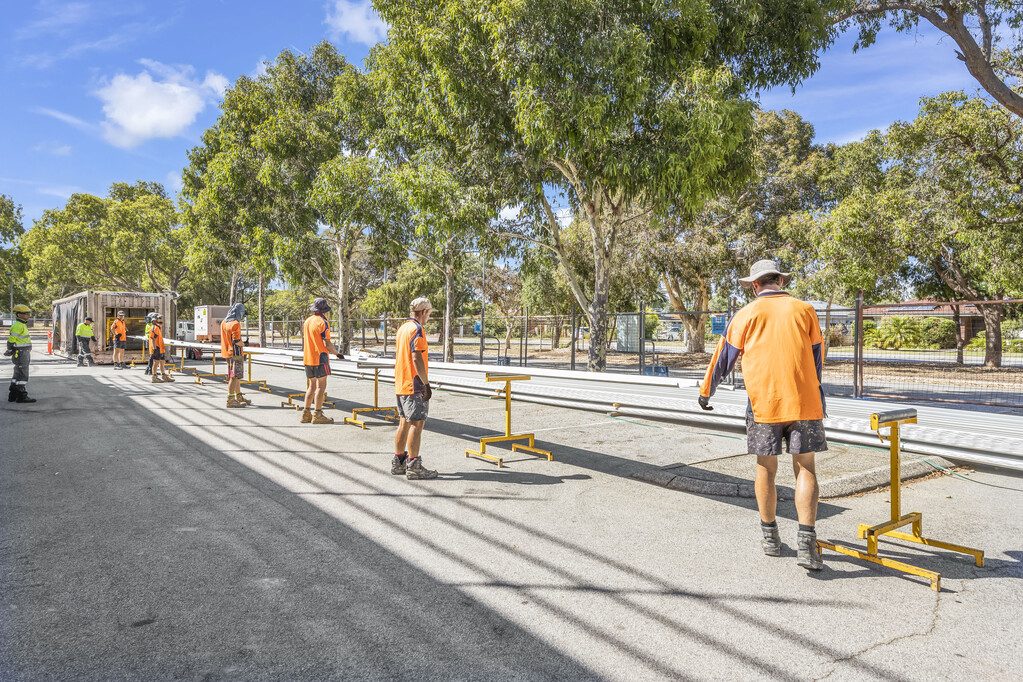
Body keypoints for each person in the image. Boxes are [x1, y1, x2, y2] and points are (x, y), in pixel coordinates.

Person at [698, 259, 826, 571]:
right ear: (780, 281)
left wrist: (706, 392)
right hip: (804, 403)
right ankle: (807, 544)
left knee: (766, 469)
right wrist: (814, 390)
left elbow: (723, 359)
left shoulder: (745, 314)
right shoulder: (805, 310)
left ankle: (770, 538)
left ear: (755, 285)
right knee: (805, 467)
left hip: (763, 405)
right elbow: (817, 358)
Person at [391, 297, 438, 480]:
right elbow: (416, 358)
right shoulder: (417, 329)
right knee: (417, 424)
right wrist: (426, 384)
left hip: (401, 381)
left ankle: (399, 461)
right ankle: (413, 465)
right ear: (424, 312)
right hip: (414, 383)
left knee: (403, 422)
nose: (428, 317)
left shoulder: (403, 328)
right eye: (428, 314)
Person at [301, 298, 343, 424]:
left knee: (311, 386)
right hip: (320, 357)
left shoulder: (307, 321)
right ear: (324, 310)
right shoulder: (323, 322)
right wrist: (337, 354)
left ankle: (305, 413)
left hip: (308, 357)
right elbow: (327, 343)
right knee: (321, 386)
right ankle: (317, 414)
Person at [220, 303, 250, 408]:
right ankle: (230, 399)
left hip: (227, 353)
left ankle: (238, 396)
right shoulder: (235, 323)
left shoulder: (224, 322)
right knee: (234, 377)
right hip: (236, 354)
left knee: (235, 376)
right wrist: (244, 344)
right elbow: (237, 341)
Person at [5, 304, 35, 403]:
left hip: (22, 352)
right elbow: (11, 340)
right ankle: (21, 396)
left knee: (17, 374)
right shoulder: (18, 326)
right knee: (22, 375)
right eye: (26, 313)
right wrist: (9, 350)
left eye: (28, 313)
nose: (28, 315)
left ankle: (13, 394)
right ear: (19, 315)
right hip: (21, 353)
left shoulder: (21, 325)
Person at [149, 313, 174, 383]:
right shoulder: (154, 328)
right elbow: (152, 338)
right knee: (156, 362)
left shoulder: (158, 327)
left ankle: (164, 375)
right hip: (156, 348)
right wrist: (154, 349)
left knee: (162, 362)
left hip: (160, 347)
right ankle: (154, 377)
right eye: (159, 318)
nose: (160, 320)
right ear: (154, 320)